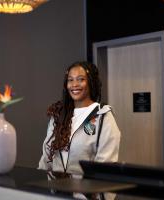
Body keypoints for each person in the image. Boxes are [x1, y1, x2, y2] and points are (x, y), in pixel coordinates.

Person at [38, 61, 121, 199]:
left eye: (80, 79)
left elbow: (106, 165)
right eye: (70, 80)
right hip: (55, 193)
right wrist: (39, 188)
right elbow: (46, 157)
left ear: (91, 82)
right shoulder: (59, 115)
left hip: (87, 196)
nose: (74, 85)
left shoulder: (103, 116)